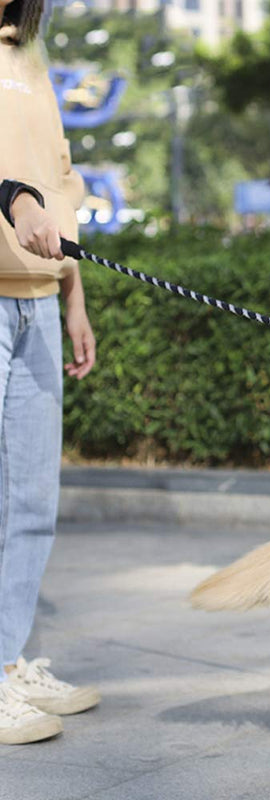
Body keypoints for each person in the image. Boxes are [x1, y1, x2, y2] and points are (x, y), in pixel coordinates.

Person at [0, 0, 100, 745]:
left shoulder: (27, 54)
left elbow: (59, 178)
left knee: (33, 496)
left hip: (38, 301)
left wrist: (75, 296)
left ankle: (6, 661)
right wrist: (20, 201)